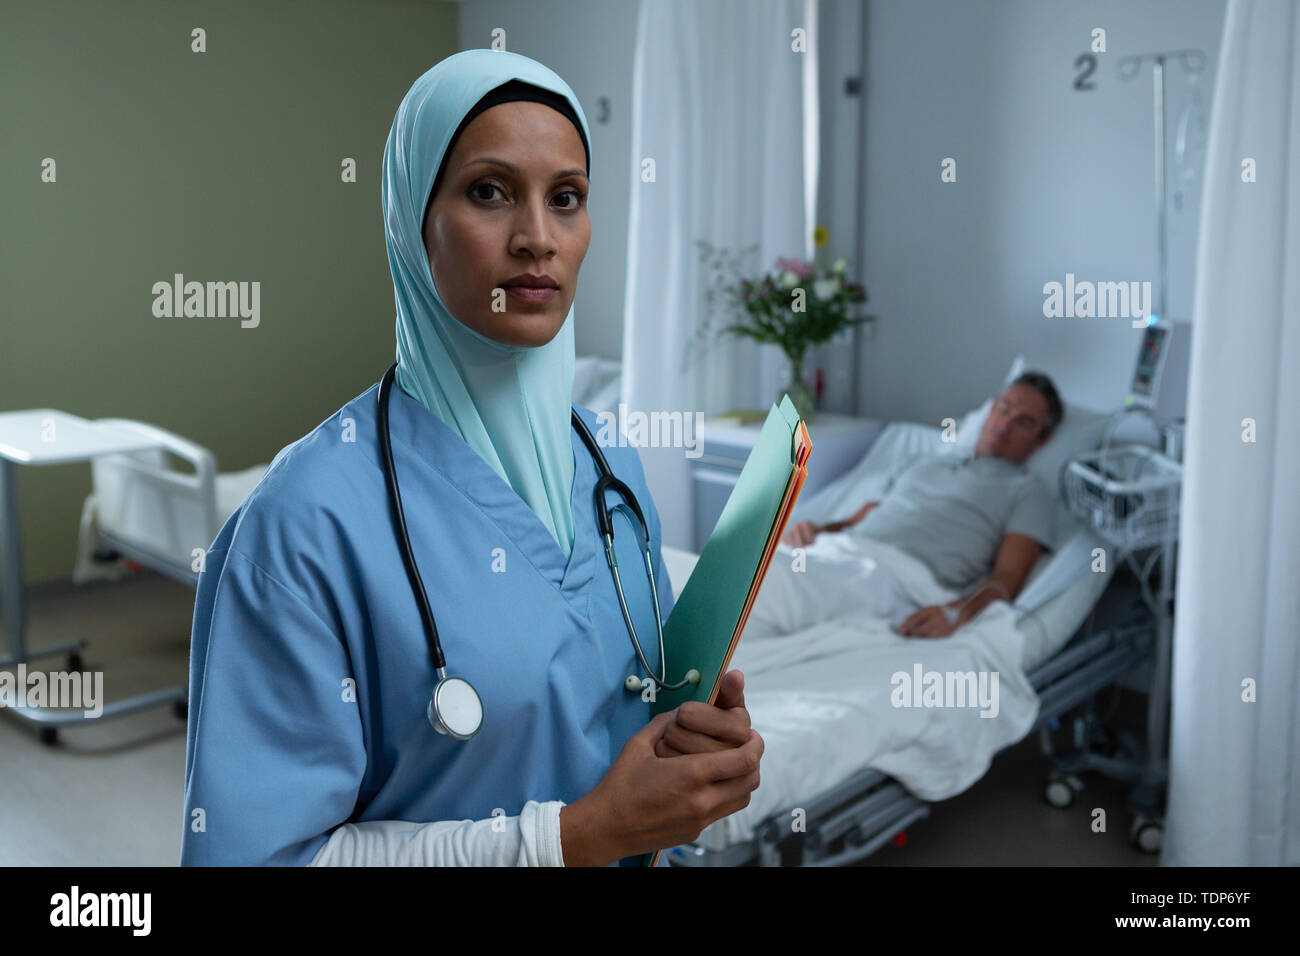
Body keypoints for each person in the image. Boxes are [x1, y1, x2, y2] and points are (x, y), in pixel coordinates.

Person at [180, 50, 762, 867]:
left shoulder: (612, 468)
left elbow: (628, 722)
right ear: (411, 219)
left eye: (566, 199)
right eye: (489, 192)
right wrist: (572, 840)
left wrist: (693, 752)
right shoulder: (301, 527)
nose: (537, 239)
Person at [772, 373, 1062, 639]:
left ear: (1042, 439)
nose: (1005, 424)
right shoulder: (925, 461)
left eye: (1024, 422)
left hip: (897, 579)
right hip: (842, 552)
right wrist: (816, 530)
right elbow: (860, 519)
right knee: (762, 569)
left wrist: (957, 612)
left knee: (763, 586)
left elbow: (1008, 577)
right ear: (991, 407)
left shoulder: (1028, 491)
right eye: (1004, 408)